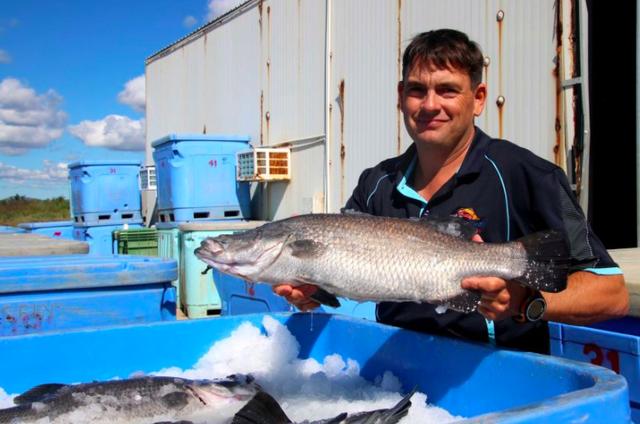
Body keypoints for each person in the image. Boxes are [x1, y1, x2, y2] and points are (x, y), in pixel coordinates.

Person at [273, 29, 629, 353]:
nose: (430, 105)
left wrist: (524, 302)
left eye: (447, 90)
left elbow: (611, 294)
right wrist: (312, 290)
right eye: (416, 90)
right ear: (401, 97)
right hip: (396, 378)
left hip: (498, 383)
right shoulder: (376, 182)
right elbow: (347, 272)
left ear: (478, 98)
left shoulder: (527, 176)